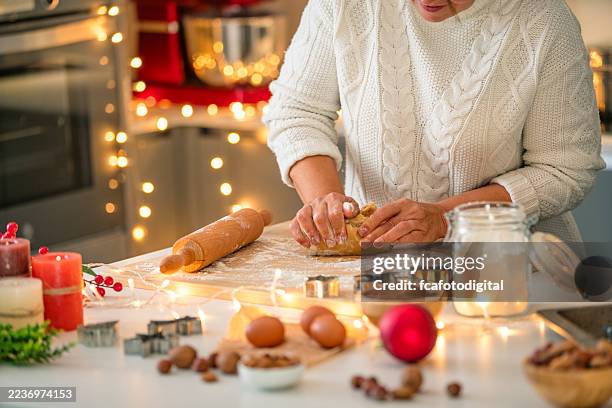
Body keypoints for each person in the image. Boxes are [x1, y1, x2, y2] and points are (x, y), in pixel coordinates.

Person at [263, 0, 605, 247]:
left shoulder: (544, 19)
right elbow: (297, 111)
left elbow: (564, 170)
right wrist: (325, 201)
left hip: (510, 270)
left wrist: (445, 218)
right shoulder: (343, 5)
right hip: (374, 268)